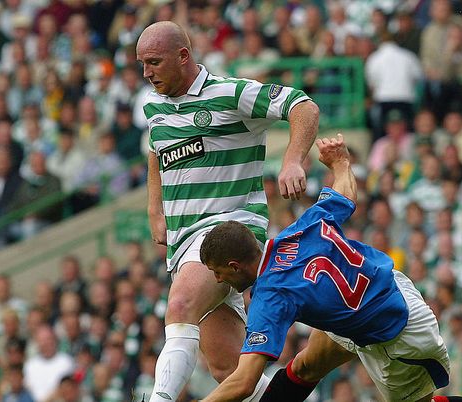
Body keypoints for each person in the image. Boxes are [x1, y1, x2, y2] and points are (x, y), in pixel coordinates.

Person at [199, 135, 462, 402]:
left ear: (234, 266)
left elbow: (245, 382)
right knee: (307, 365)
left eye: (217, 271)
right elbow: (346, 196)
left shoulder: (270, 296)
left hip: (396, 335)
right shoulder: (300, 229)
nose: (216, 278)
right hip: (385, 290)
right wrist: (340, 163)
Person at [137, 21, 320, 402]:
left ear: (183, 56)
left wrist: (292, 160)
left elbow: (302, 104)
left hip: (228, 230)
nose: (146, 72)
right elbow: (156, 152)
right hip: (184, 243)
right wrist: (155, 210)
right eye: (142, 64)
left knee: (181, 305)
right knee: (228, 369)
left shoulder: (230, 93)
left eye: (154, 62)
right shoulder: (154, 106)